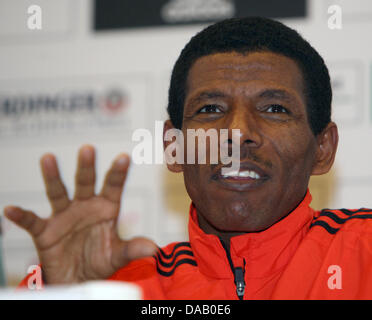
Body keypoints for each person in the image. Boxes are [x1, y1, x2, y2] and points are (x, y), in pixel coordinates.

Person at [4, 17, 372, 299]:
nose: (237, 132)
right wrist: (66, 294)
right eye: (211, 108)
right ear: (174, 146)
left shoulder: (364, 250)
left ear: (323, 148)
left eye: (274, 108)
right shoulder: (119, 285)